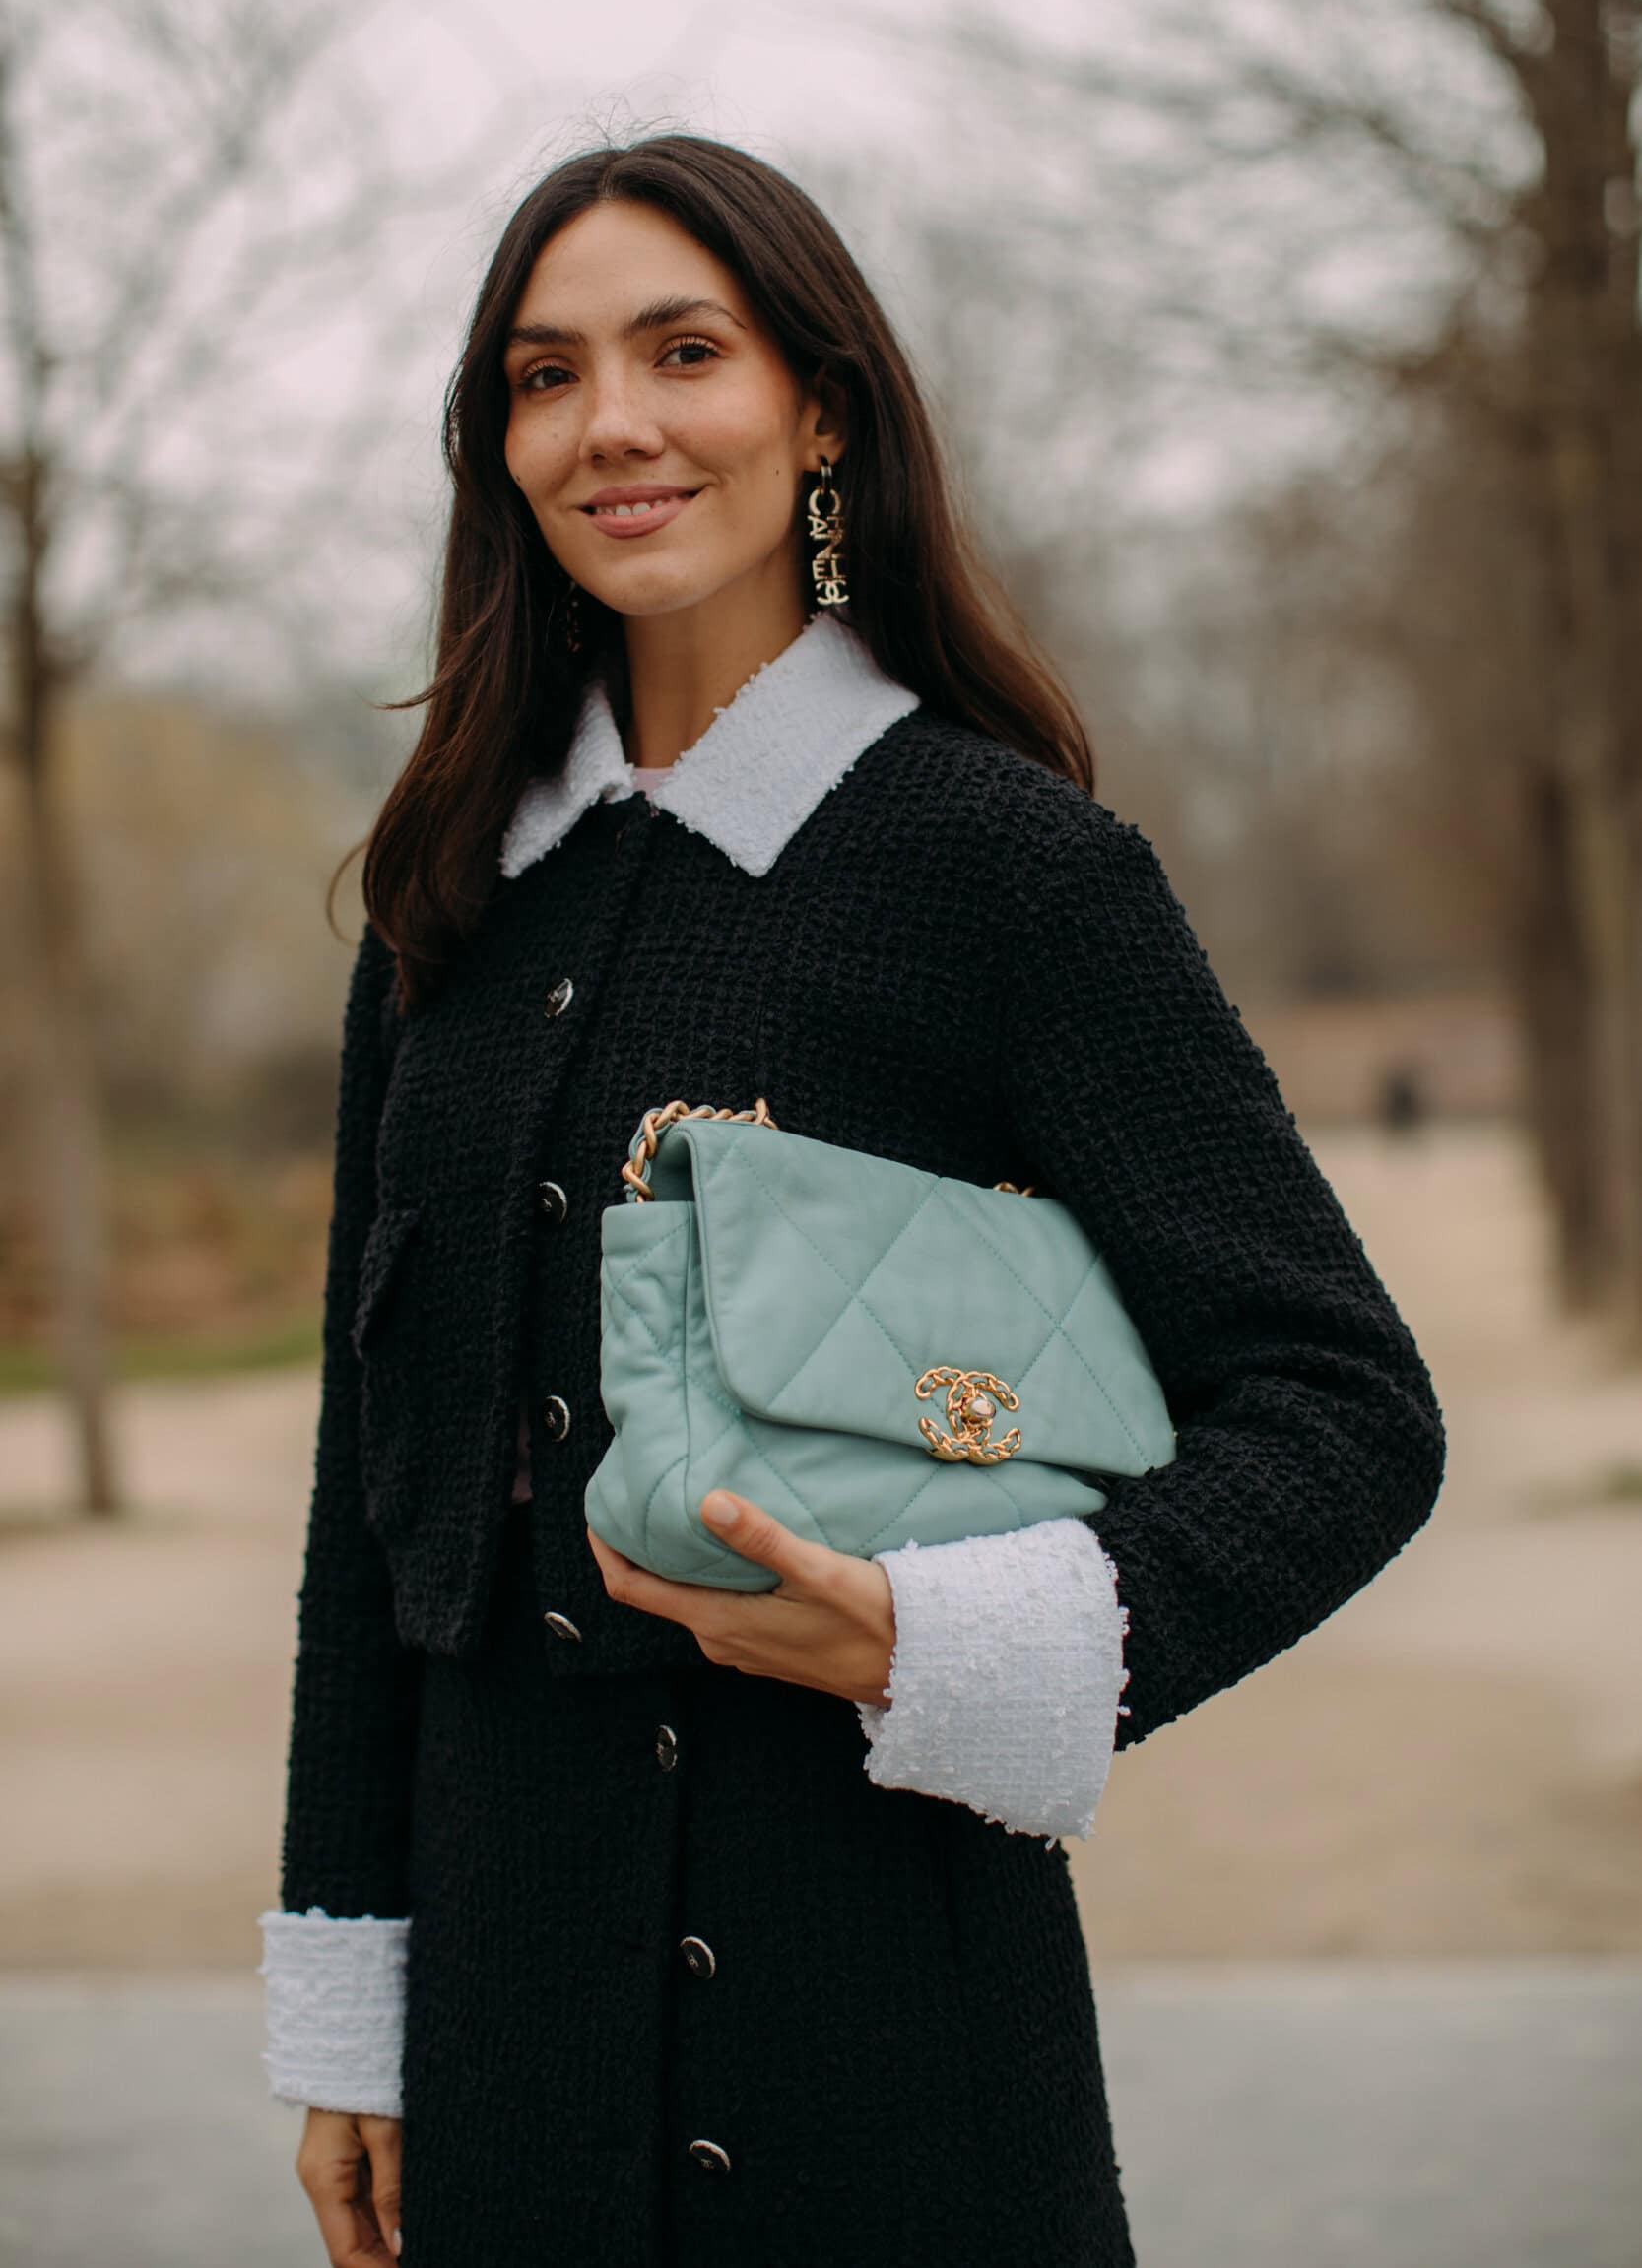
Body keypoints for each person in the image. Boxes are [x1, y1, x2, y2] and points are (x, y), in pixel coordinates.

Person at [257, 133, 1447, 2267]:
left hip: (893, 2042)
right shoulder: (443, 905)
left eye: (681, 350)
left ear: (820, 407)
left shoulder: (1007, 873)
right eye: (543, 375)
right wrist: (349, 1990)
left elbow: (1344, 1406)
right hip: (505, 2067)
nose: (610, 422)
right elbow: (378, 1509)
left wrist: (955, 1640)